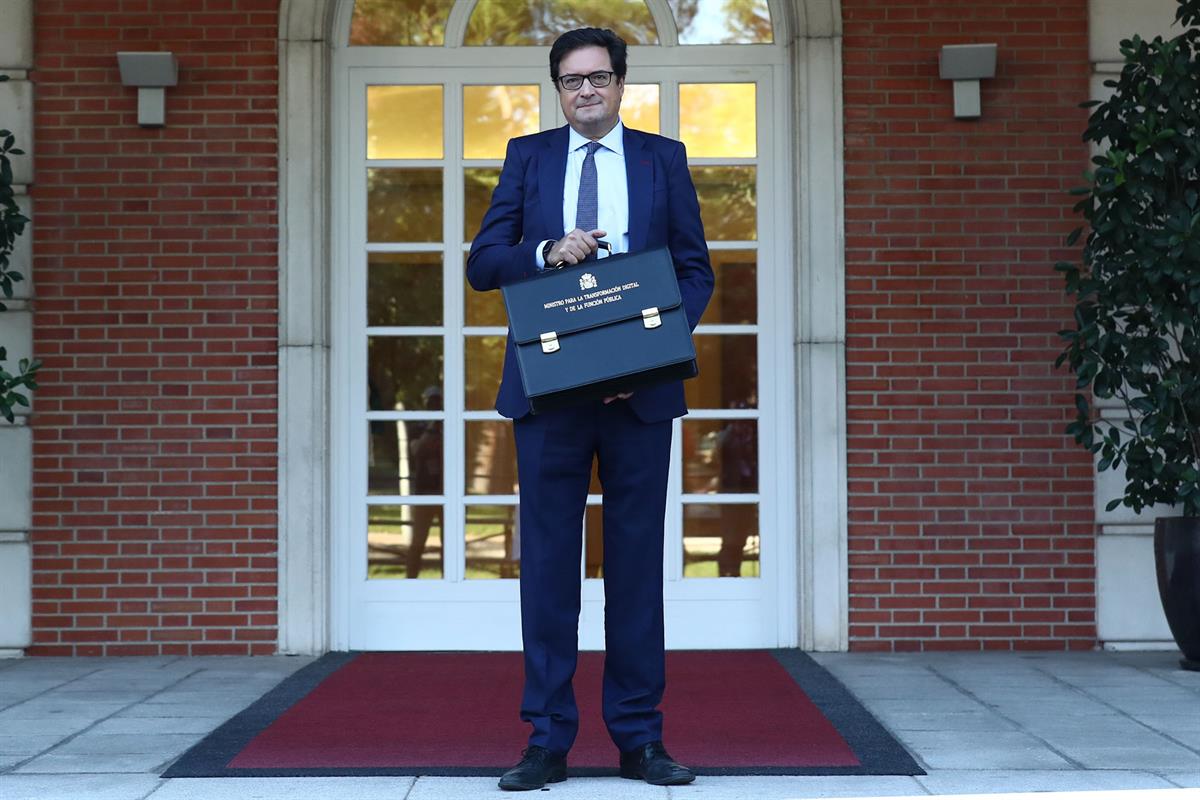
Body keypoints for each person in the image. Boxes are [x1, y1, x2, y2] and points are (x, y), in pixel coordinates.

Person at [467, 27, 713, 792]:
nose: (585, 91)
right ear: (558, 89)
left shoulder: (661, 160)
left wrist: (647, 353)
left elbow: (696, 271)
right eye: (571, 81)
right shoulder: (527, 157)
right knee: (546, 570)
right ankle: (547, 740)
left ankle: (640, 740)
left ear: (620, 83)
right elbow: (483, 264)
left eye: (598, 78)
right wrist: (546, 253)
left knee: (636, 572)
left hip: (638, 396)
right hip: (549, 397)